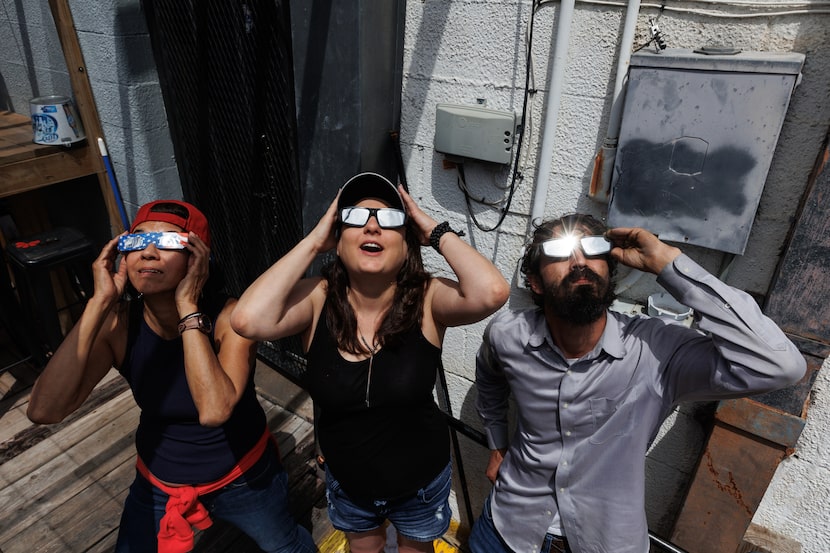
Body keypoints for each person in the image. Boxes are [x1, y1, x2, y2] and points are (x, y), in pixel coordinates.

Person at [468, 213, 807, 553]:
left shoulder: (657, 351)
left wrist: (668, 264)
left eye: (593, 249)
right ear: (535, 282)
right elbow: (489, 378)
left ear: (610, 269)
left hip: (605, 543)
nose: (579, 261)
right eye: (559, 251)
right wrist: (498, 444)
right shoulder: (509, 335)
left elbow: (780, 365)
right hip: (505, 531)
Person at [230, 172, 510, 553]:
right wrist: (312, 243)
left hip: (420, 483)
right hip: (349, 482)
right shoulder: (317, 298)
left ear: (407, 242)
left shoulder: (427, 298)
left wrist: (435, 230)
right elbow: (247, 320)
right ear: (338, 241)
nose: (373, 227)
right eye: (357, 219)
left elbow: (492, 292)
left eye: (390, 219)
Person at [26, 200, 316, 553]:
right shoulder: (118, 324)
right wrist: (98, 304)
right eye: (136, 242)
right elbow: (44, 410)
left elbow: (213, 410)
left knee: (286, 546)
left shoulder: (231, 319)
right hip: (158, 481)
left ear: (197, 259)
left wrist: (187, 306)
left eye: (168, 242)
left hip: (242, 476)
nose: (148, 252)